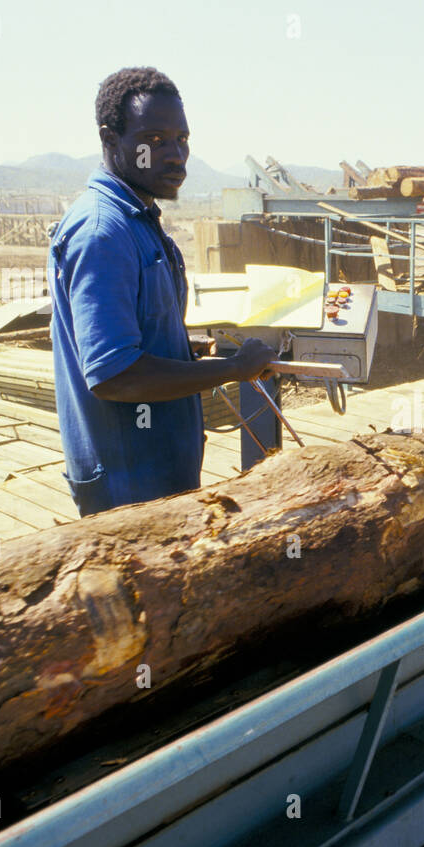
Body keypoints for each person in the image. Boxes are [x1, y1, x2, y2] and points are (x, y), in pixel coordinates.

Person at [50, 67, 276, 516]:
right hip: (128, 489)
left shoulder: (138, 220)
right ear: (111, 139)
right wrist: (233, 368)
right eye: (154, 140)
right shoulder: (102, 231)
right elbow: (115, 375)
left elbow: (130, 333)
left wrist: (180, 348)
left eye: (182, 140)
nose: (175, 155)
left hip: (162, 477)